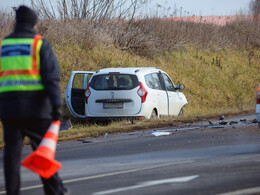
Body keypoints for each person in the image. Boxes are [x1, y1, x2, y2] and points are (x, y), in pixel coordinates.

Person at [0, 5, 68, 195]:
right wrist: (57, 106)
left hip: (10, 112)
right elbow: (51, 78)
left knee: (11, 156)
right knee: (43, 154)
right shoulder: (39, 44)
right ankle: (54, 190)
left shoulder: (2, 45)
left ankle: (13, 192)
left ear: (16, 22)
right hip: (37, 112)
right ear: (34, 24)